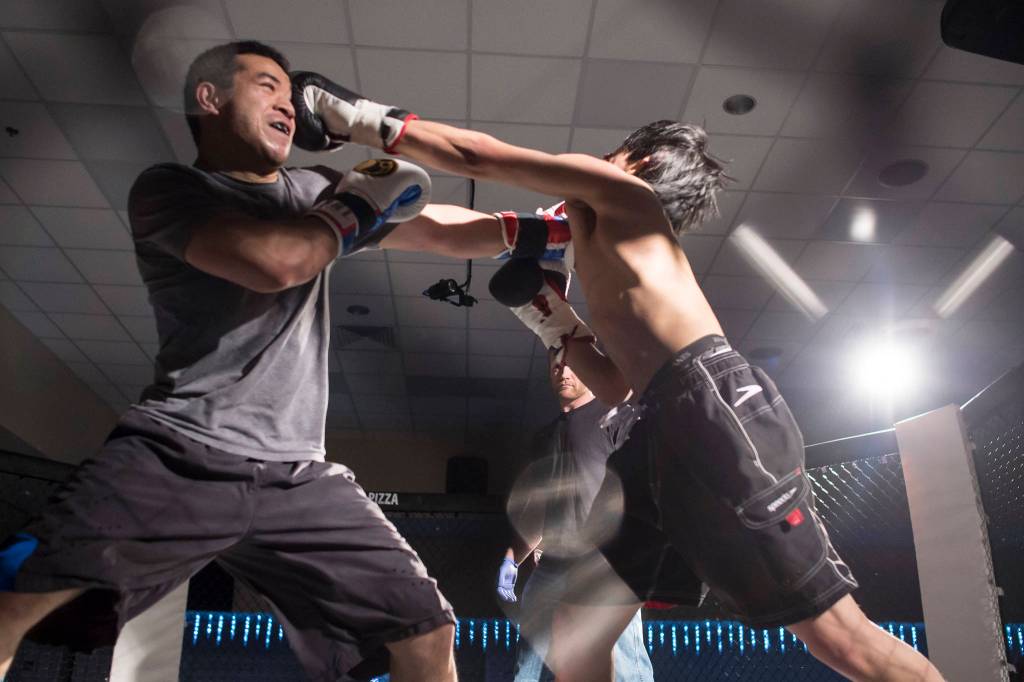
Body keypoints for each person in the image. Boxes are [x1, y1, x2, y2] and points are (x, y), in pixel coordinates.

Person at [289, 72, 945, 682]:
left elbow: (478, 156)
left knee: (839, 638)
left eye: (612, 151)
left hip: (716, 406)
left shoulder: (624, 196)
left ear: (643, 161)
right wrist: (353, 220)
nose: (599, 160)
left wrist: (352, 117)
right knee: (578, 628)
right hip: (655, 424)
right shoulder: (575, 229)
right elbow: (609, 380)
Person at [0, 41, 461, 682]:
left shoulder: (312, 189)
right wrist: (356, 204)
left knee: (426, 631)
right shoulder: (173, 190)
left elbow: (437, 226)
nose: (289, 104)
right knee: (14, 604)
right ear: (209, 99)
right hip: (180, 449)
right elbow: (276, 262)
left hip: (299, 473)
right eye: (267, 85)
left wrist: (543, 229)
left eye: (289, 94)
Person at [497, 351, 653, 682]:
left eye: (571, 363)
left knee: (624, 662)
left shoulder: (616, 419)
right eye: (555, 364)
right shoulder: (545, 438)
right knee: (530, 661)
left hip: (606, 561)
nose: (562, 370)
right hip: (553, 563)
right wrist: (512, 560)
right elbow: (538, 510)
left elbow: (644, 488)